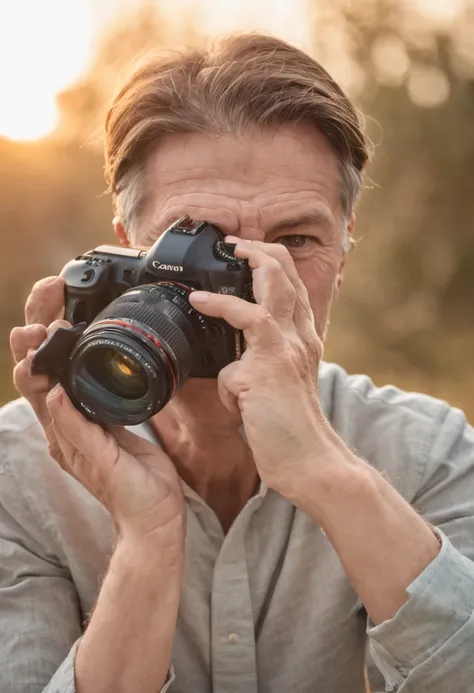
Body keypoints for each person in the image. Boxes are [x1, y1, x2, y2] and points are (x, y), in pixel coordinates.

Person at [2, 33, 474, 693]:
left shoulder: (426, 453)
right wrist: (148, 537)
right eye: (205, 243)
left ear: (345, 256)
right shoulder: (19, 471)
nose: (247, 287)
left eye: (296, 241)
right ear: (130, 251)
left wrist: (325, 472)